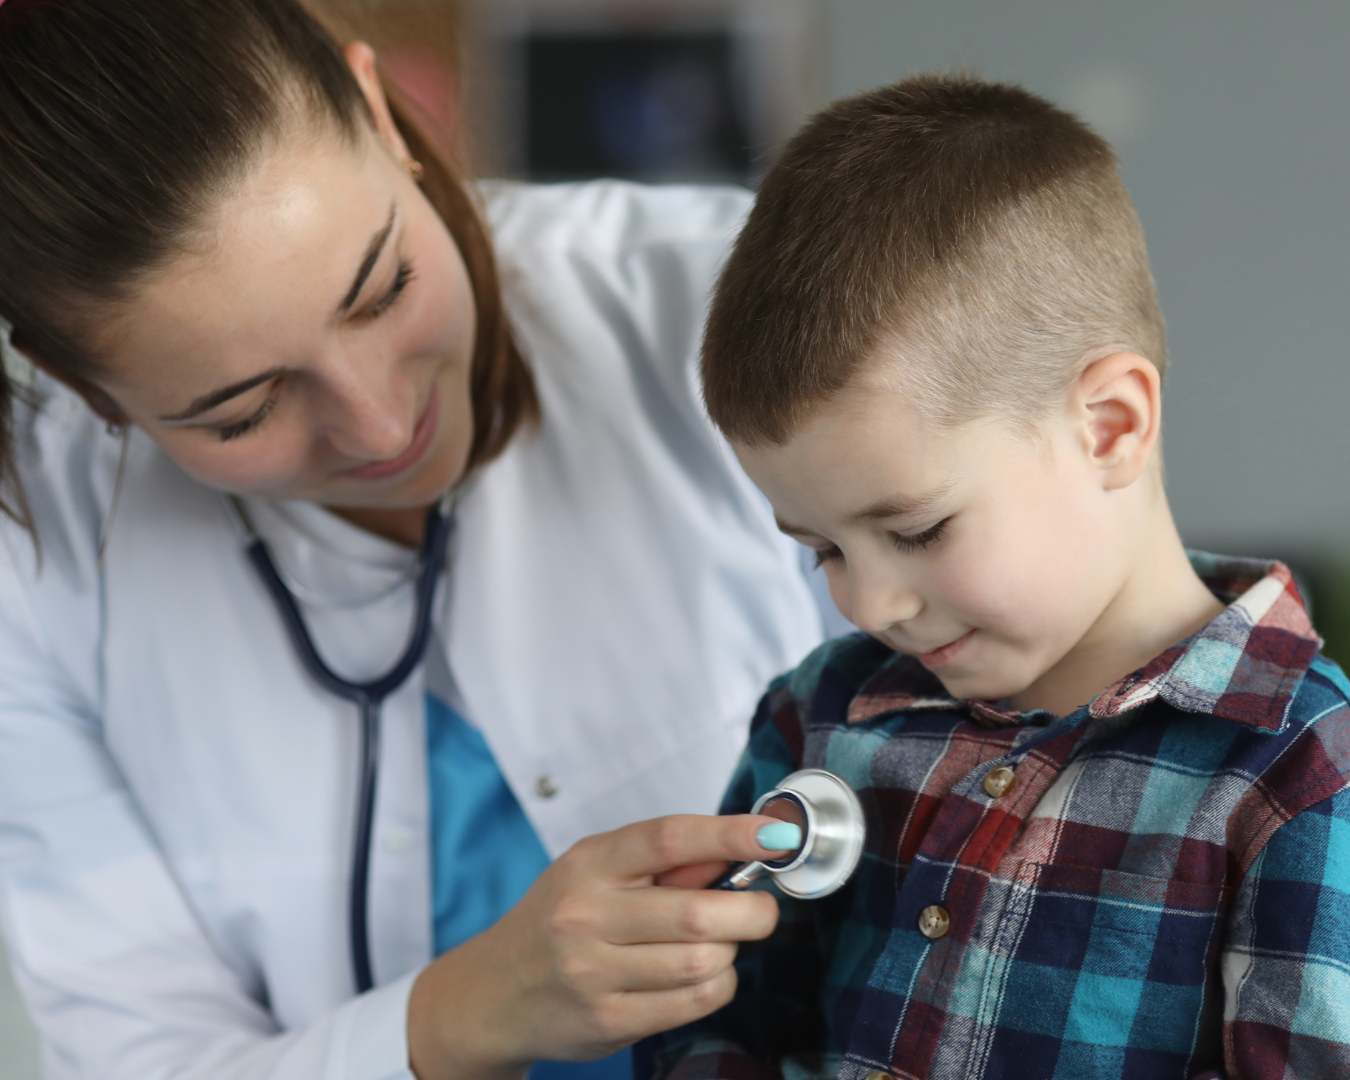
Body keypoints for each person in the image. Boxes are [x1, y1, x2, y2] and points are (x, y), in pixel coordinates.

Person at [0, 1, 834, 1077]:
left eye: (384, 287)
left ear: (382, 115)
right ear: (83, 388)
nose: (384, 427)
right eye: (242, 411)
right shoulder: (38, 560)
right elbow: (138, 1058)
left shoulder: (737, 308)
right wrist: (457, 1016)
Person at [639, 76, 1350, 1080]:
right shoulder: (823, 717)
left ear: (1110, 427)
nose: (867, 604)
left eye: (919, 530)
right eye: (825, 549)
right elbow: (708, 1017)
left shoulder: (1301, 774)